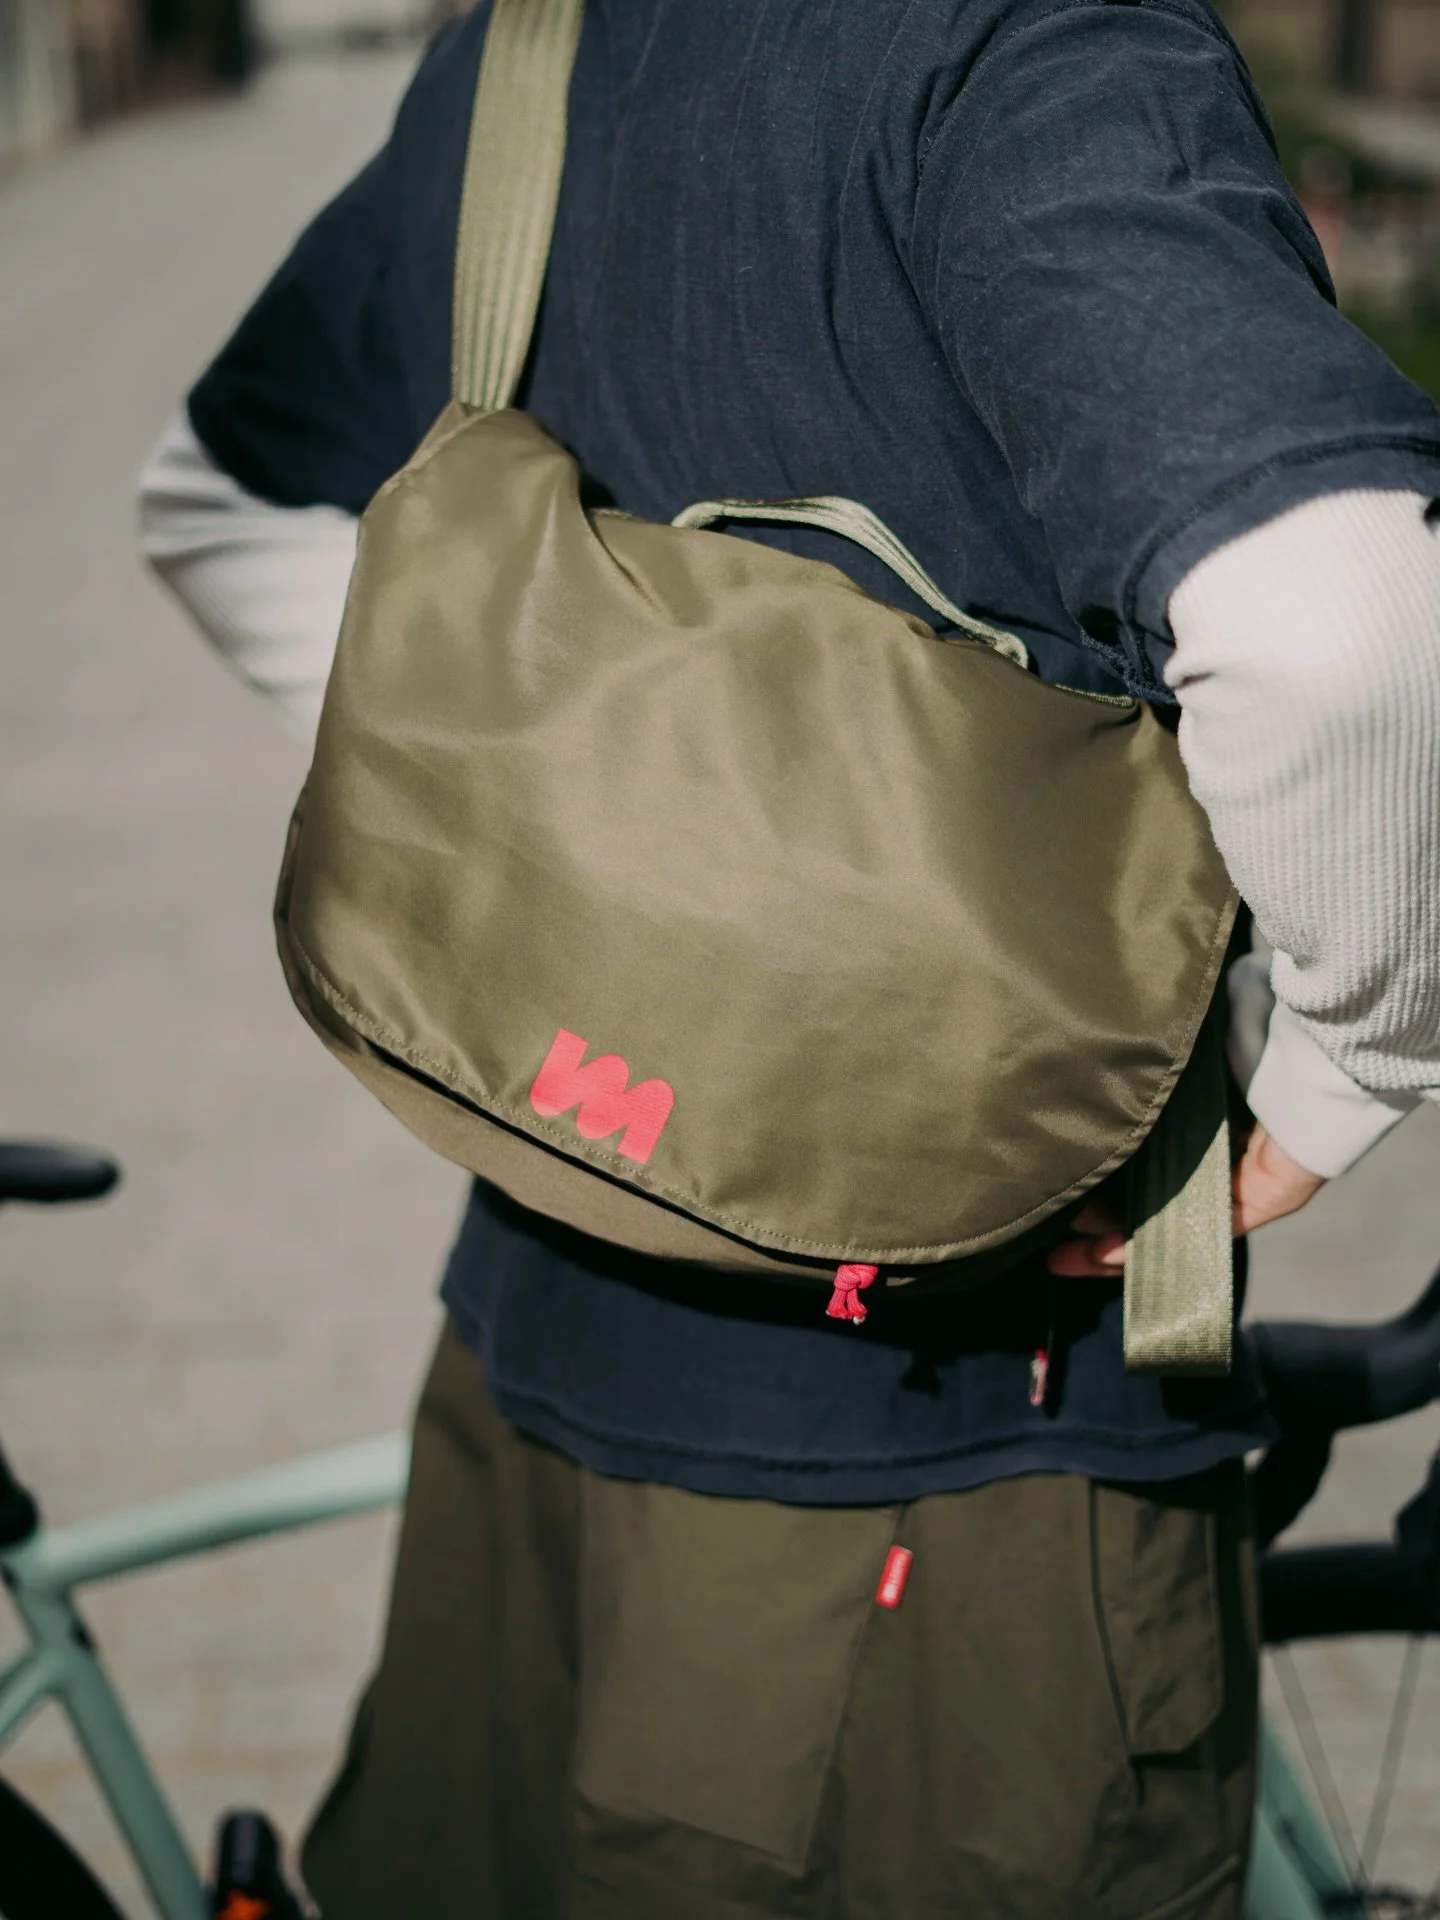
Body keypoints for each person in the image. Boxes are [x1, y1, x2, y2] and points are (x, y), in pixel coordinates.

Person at [139, 2, 1440, 1913]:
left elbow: (219, 492)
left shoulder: (531, 47)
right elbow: (1337, 628)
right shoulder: (1047, 50)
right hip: (955, 1488)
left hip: (519, 1405)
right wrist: (1348, 1065)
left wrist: (531, 859)